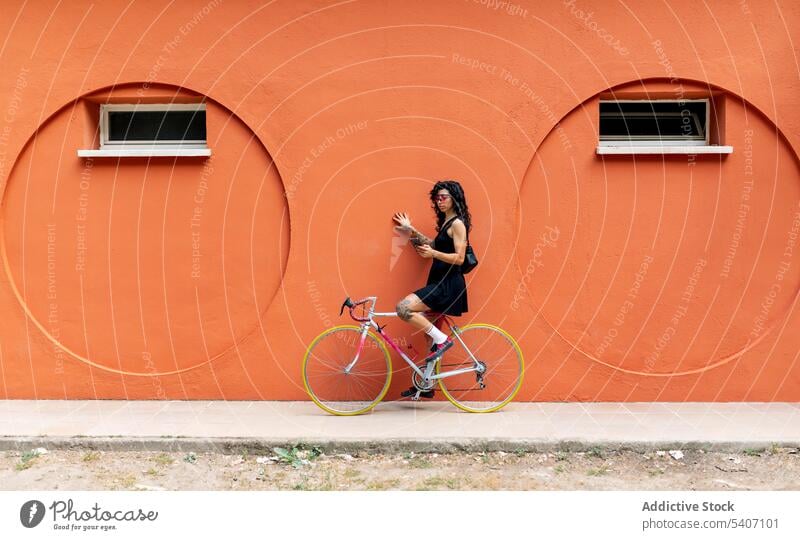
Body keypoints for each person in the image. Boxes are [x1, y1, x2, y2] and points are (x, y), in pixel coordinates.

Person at [392, 180, 471, 398]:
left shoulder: (458, 224)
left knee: (404, 308)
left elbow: (460, 258)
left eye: (444, 197)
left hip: (448, 285)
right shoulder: (446, 223)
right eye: (437, 198)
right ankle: (426, 385)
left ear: (455, 198)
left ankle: (443, 340)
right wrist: (410, 229)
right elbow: (432, 245)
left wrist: (433, 255)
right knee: (429, 338)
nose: (440, 201)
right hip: (437, 282)